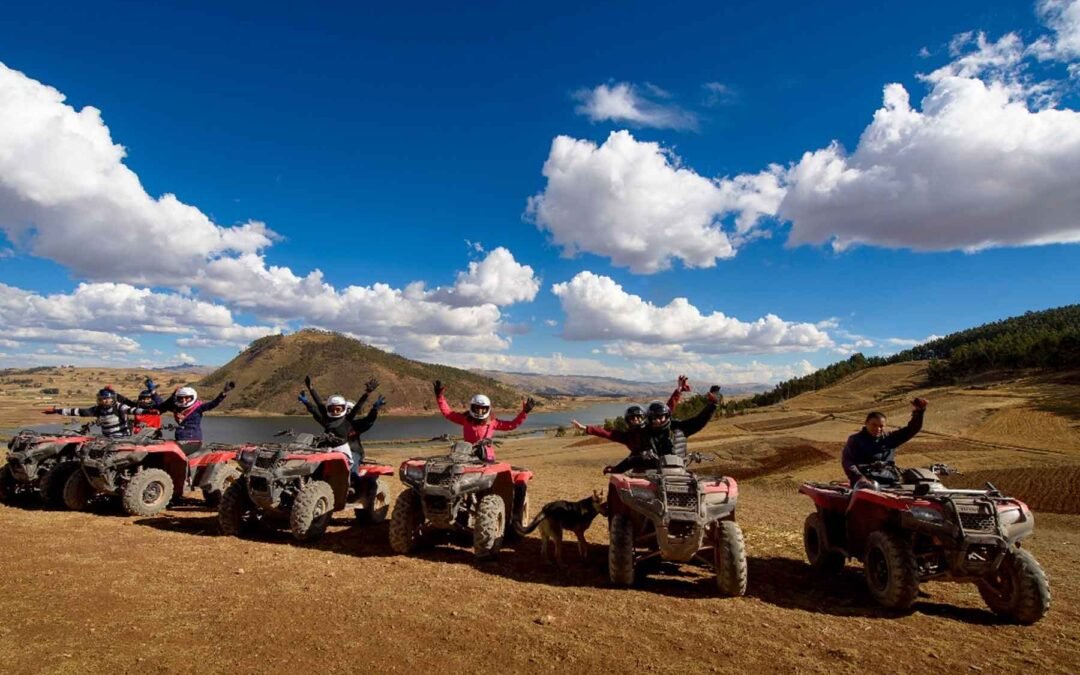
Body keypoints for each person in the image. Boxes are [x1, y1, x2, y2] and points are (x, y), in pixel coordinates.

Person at [570, 376, 698, 473]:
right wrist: (585, 428)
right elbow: (607, 433)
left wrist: (679, 389)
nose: (636, 420)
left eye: (638, 417)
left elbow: (668, 407)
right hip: (640, 469)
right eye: (632, 418)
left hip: (664, 466)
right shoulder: (627, 436)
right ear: (628, 421)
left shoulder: (652, 427)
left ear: (644, 417)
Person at [434, 379, 534, 461]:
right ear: (472, 407)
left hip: (487, 457)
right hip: (467, 455)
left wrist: (524, 412)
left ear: (487, 409)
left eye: (483, 408)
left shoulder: (492, 422)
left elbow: (512, 425)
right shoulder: (466, 419)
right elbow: (448, 413)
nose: (480, 411)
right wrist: (439, 397)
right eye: (477, 408)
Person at [842, 398, 928, 486]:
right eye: (874, 425)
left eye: (881, 426)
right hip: (865, 483)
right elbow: (848, 462)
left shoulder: (889, 438)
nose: (878, 429)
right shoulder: (855, 440)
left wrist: (919, 412)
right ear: (866, 423)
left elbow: (911, 429)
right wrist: (859, 478)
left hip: (890, 480)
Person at [298, 375, 378, 468]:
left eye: (338, 409)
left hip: (344, 451)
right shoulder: (327, 420)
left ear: (343, 409)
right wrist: (311, 390)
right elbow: (319, 405)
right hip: (327, 449)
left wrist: (367, 394)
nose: (335, 411)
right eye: (332, 409)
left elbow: (358, 408)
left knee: (352, 471)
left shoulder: (348, 421)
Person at [154, 382, 236, 455]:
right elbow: (163, 406)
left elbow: (212, 404)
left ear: (192, 397)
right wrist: (155, 393)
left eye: (187, 397)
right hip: (180, 440)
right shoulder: (177, 409)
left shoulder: (198, 408)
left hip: (192, 441)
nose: (184, 400)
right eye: (181, 398)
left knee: (170, 452)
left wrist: (224, 393)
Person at [43, 387, 138, 438]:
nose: (104, 401)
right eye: (101, 399)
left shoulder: (119, 407)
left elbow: (133, 410)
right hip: (107, 439)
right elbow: (78, 411)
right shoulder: (97, 409)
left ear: (112, 399)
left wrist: (150, 411)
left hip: (123, 439)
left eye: (106, 399)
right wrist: (56, 411)